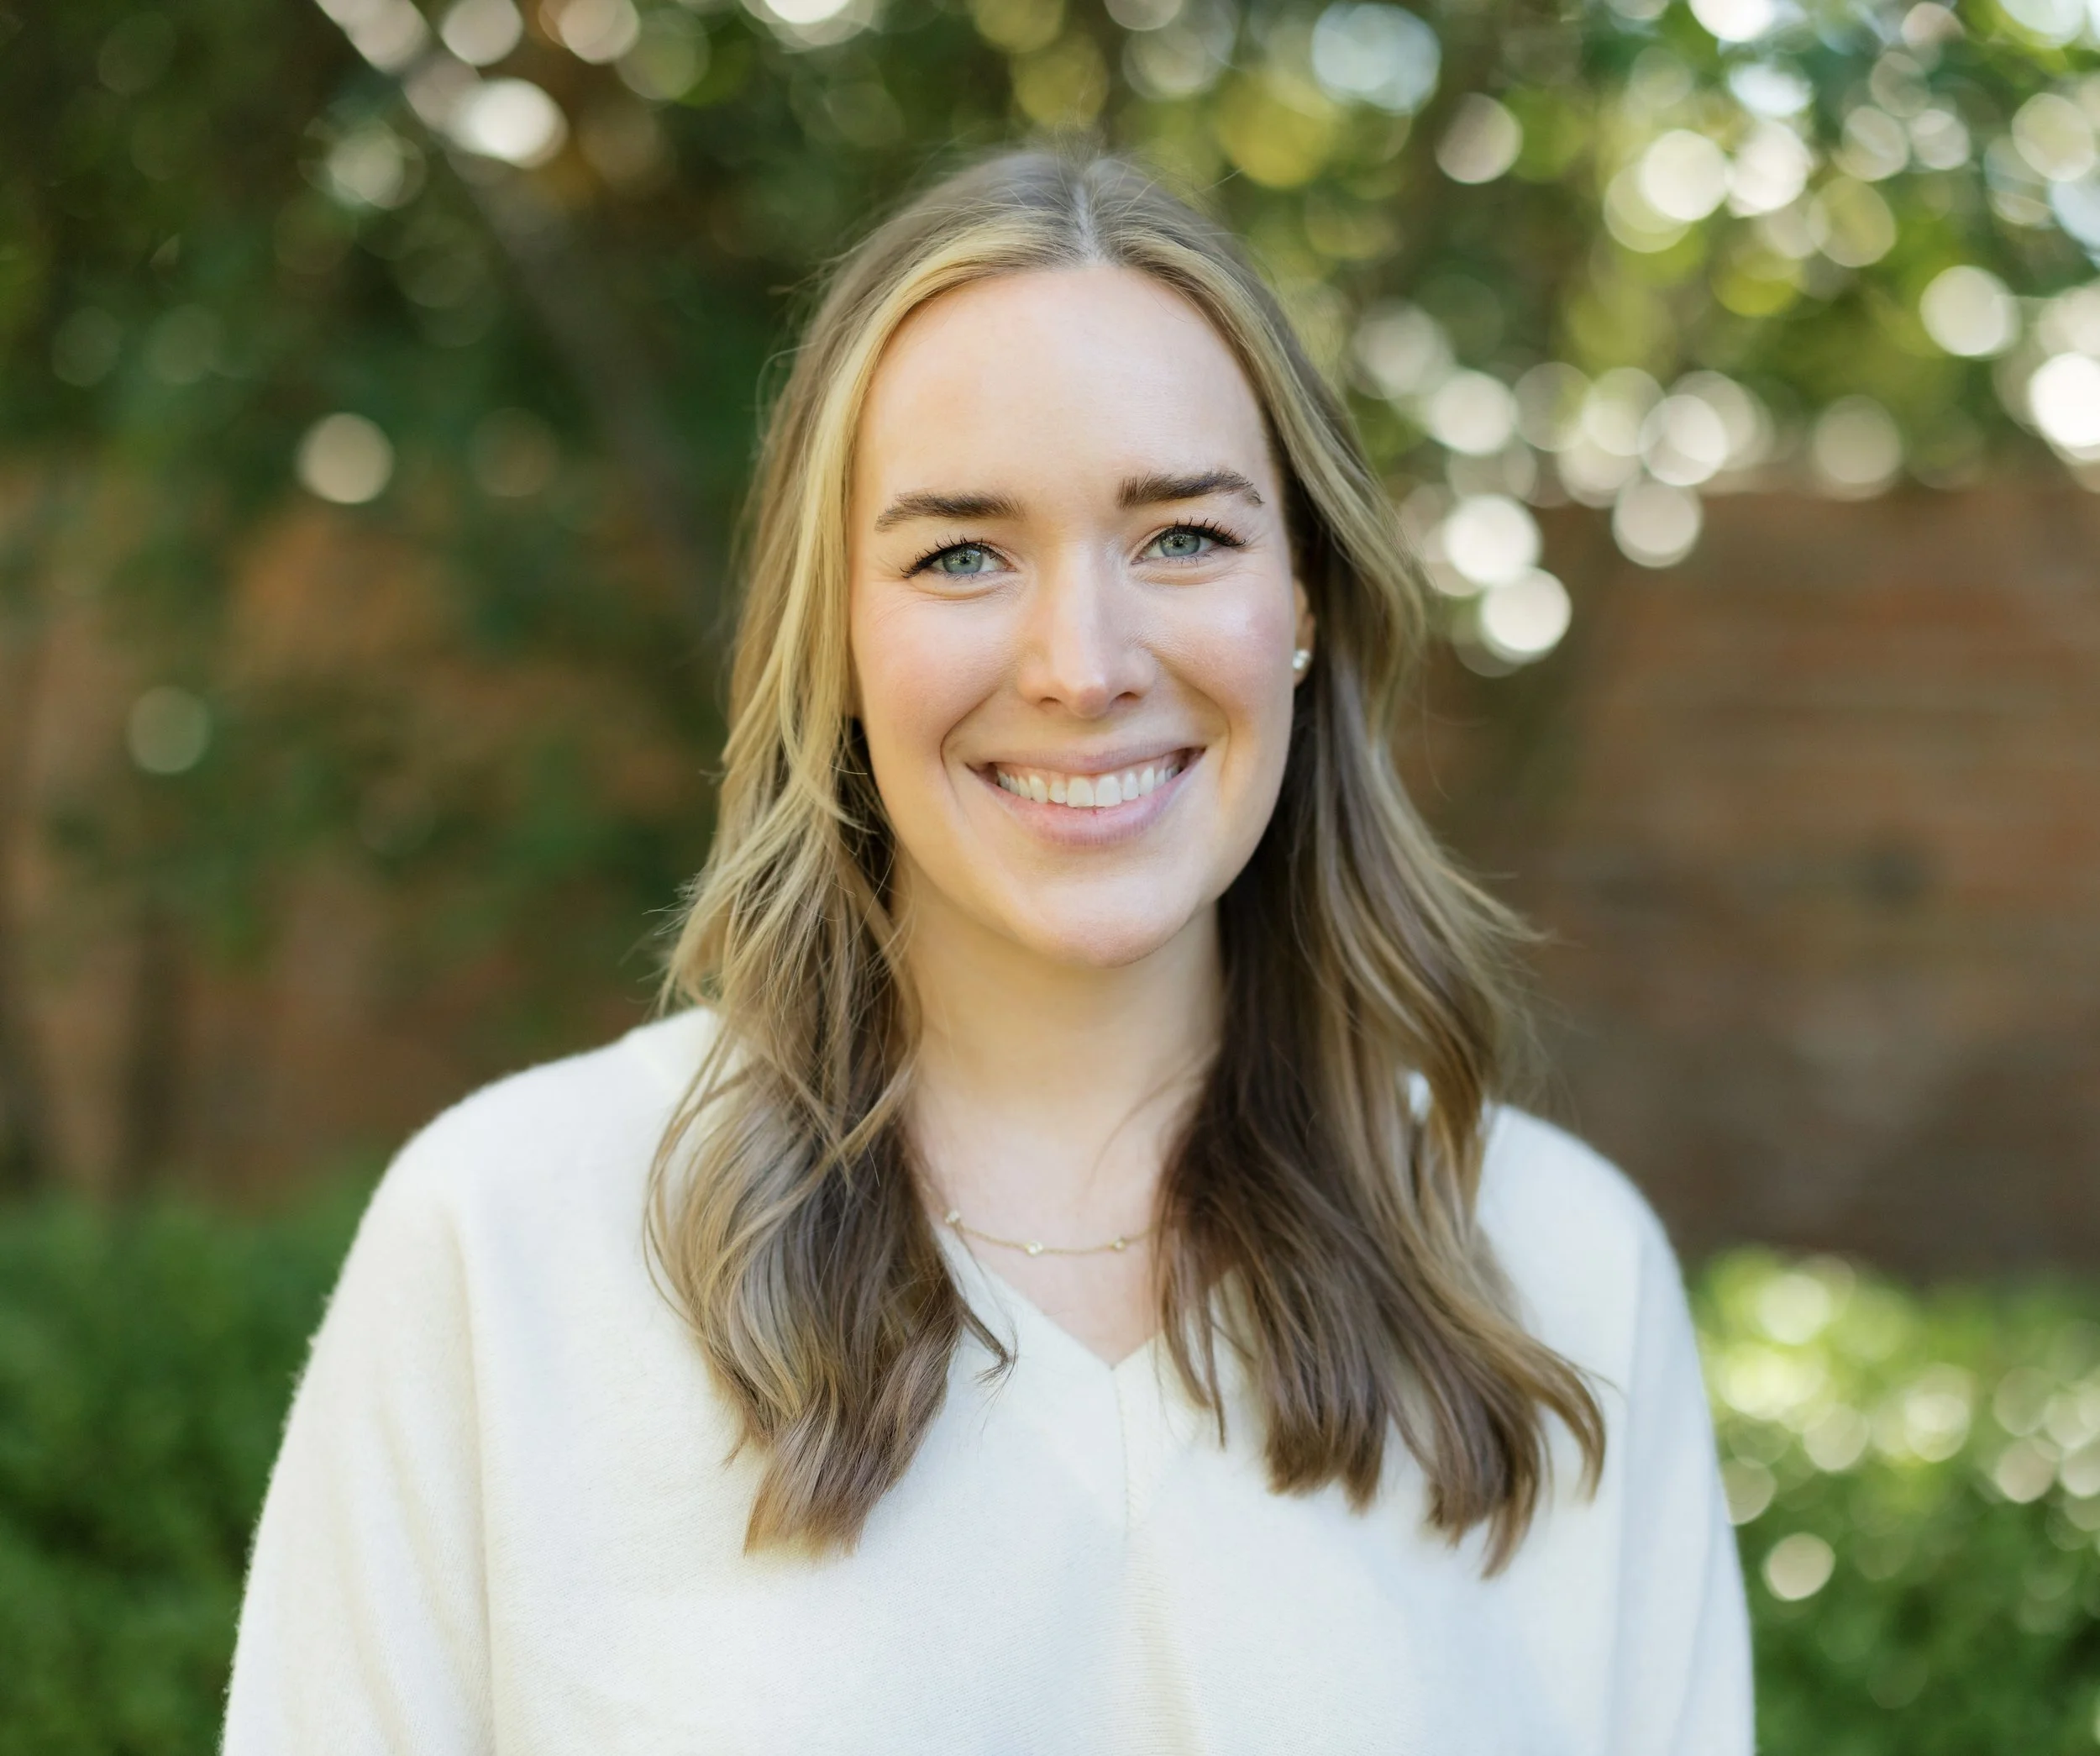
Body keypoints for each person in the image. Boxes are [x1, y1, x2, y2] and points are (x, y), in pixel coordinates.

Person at [223, 149, 1753, 1753]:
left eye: (1182, 537)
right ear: (837, 636)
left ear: (1302, 598)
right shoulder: (512, 1245)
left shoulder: (1556, 1274)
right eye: (962, 552)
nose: (1082, 664)